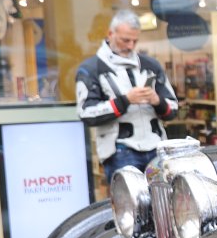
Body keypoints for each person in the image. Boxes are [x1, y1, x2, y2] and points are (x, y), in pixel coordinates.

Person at [77, 10, 180, 182]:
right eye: (125, 40)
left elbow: (173, 109)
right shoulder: (91, 68)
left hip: (156, 146)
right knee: (130, 198)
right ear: (110, 34)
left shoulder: (151, 65)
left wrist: (156, 100)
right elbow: (86, 113)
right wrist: (126, 100)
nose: (131, 46)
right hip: (119, 149)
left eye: (135, 41)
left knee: (163, 197)